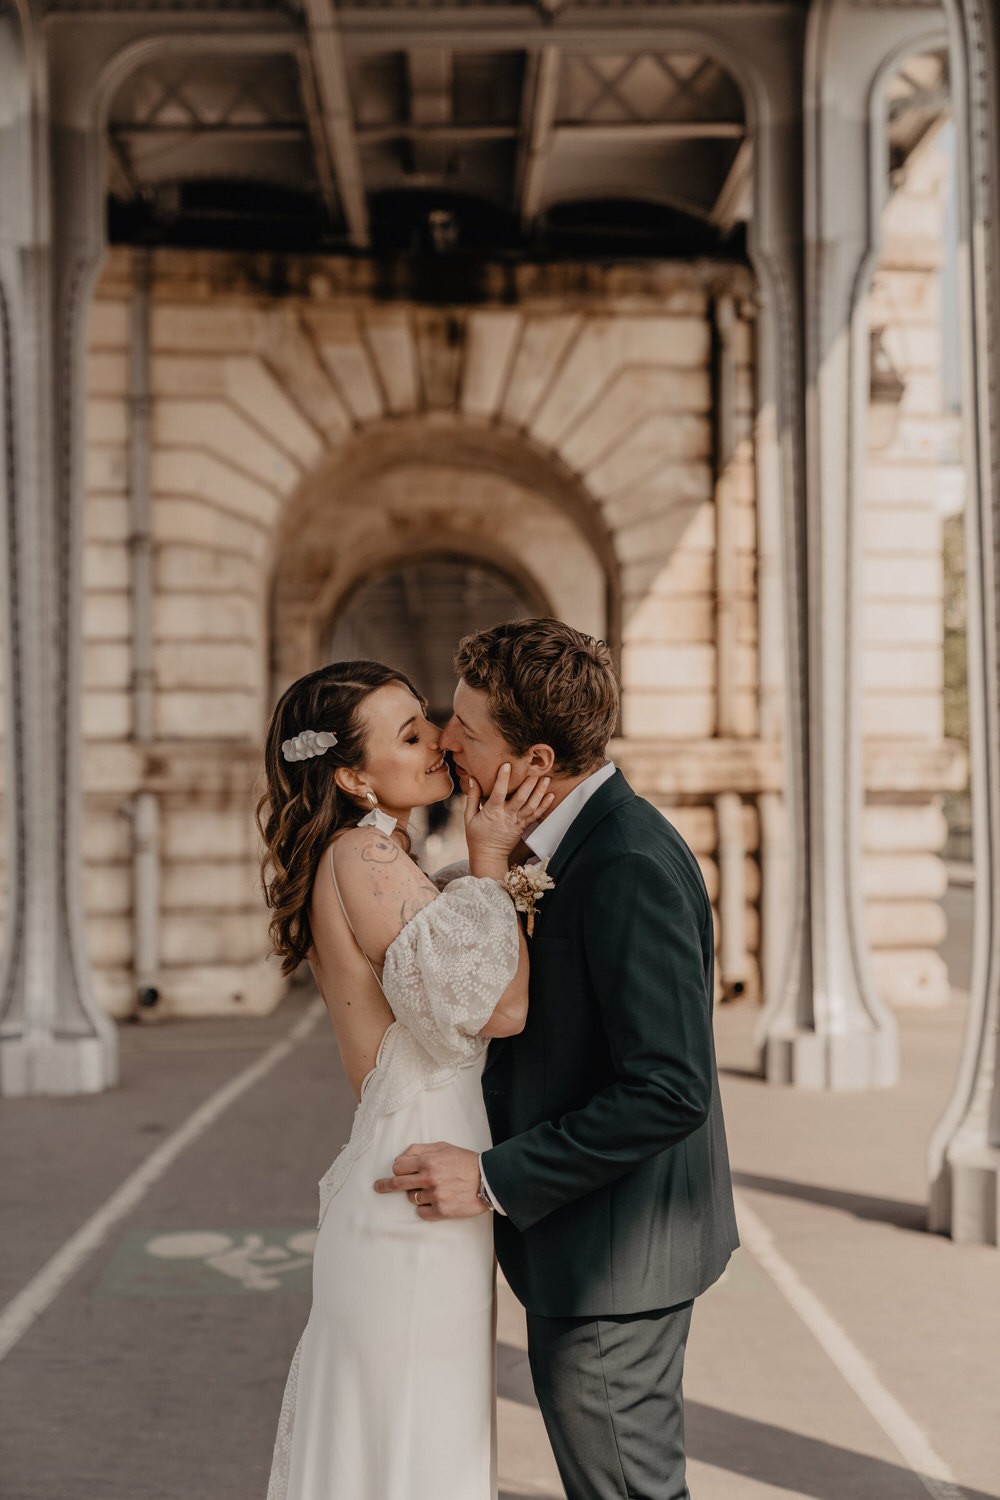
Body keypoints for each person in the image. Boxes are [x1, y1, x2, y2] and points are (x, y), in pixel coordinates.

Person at [376, 619, 740, 1500]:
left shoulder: (625, 863)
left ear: (535, 762)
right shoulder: (580, 840)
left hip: (612, 1263)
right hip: (595, 1244)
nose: (447, 739)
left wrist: (494, 1177)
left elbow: (669, 1089)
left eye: (468, 727)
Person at [257, 659, 554, 1500]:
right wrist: (490, 859)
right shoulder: (363, 855)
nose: (438, 745)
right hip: (414, 1191)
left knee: (413, 1443)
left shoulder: (377, 856)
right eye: (411, 735)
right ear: (352, 775)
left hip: (416, 1181)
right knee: (414, 1450)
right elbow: (500, 1007)